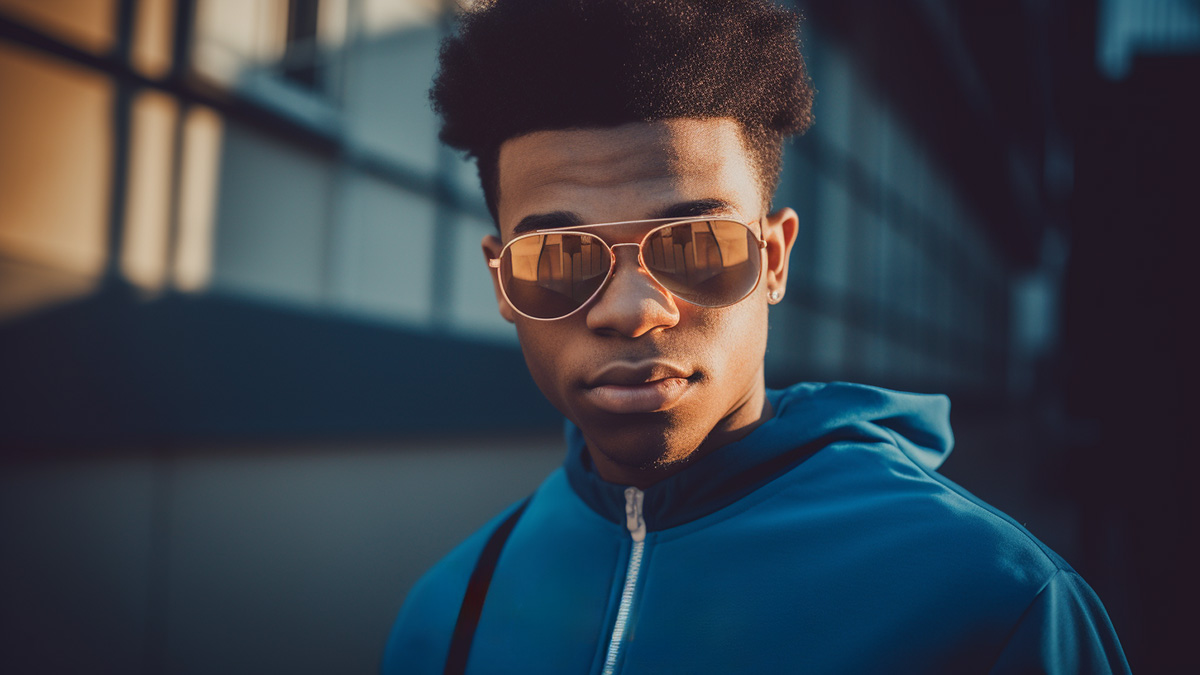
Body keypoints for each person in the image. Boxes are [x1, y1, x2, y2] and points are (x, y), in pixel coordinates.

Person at [383, 1, 1130, 672]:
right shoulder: (450, 615)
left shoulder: (994, 605)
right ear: (500, 281)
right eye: (559, 259)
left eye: (695, 246)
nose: (634, 310)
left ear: (772, 259)